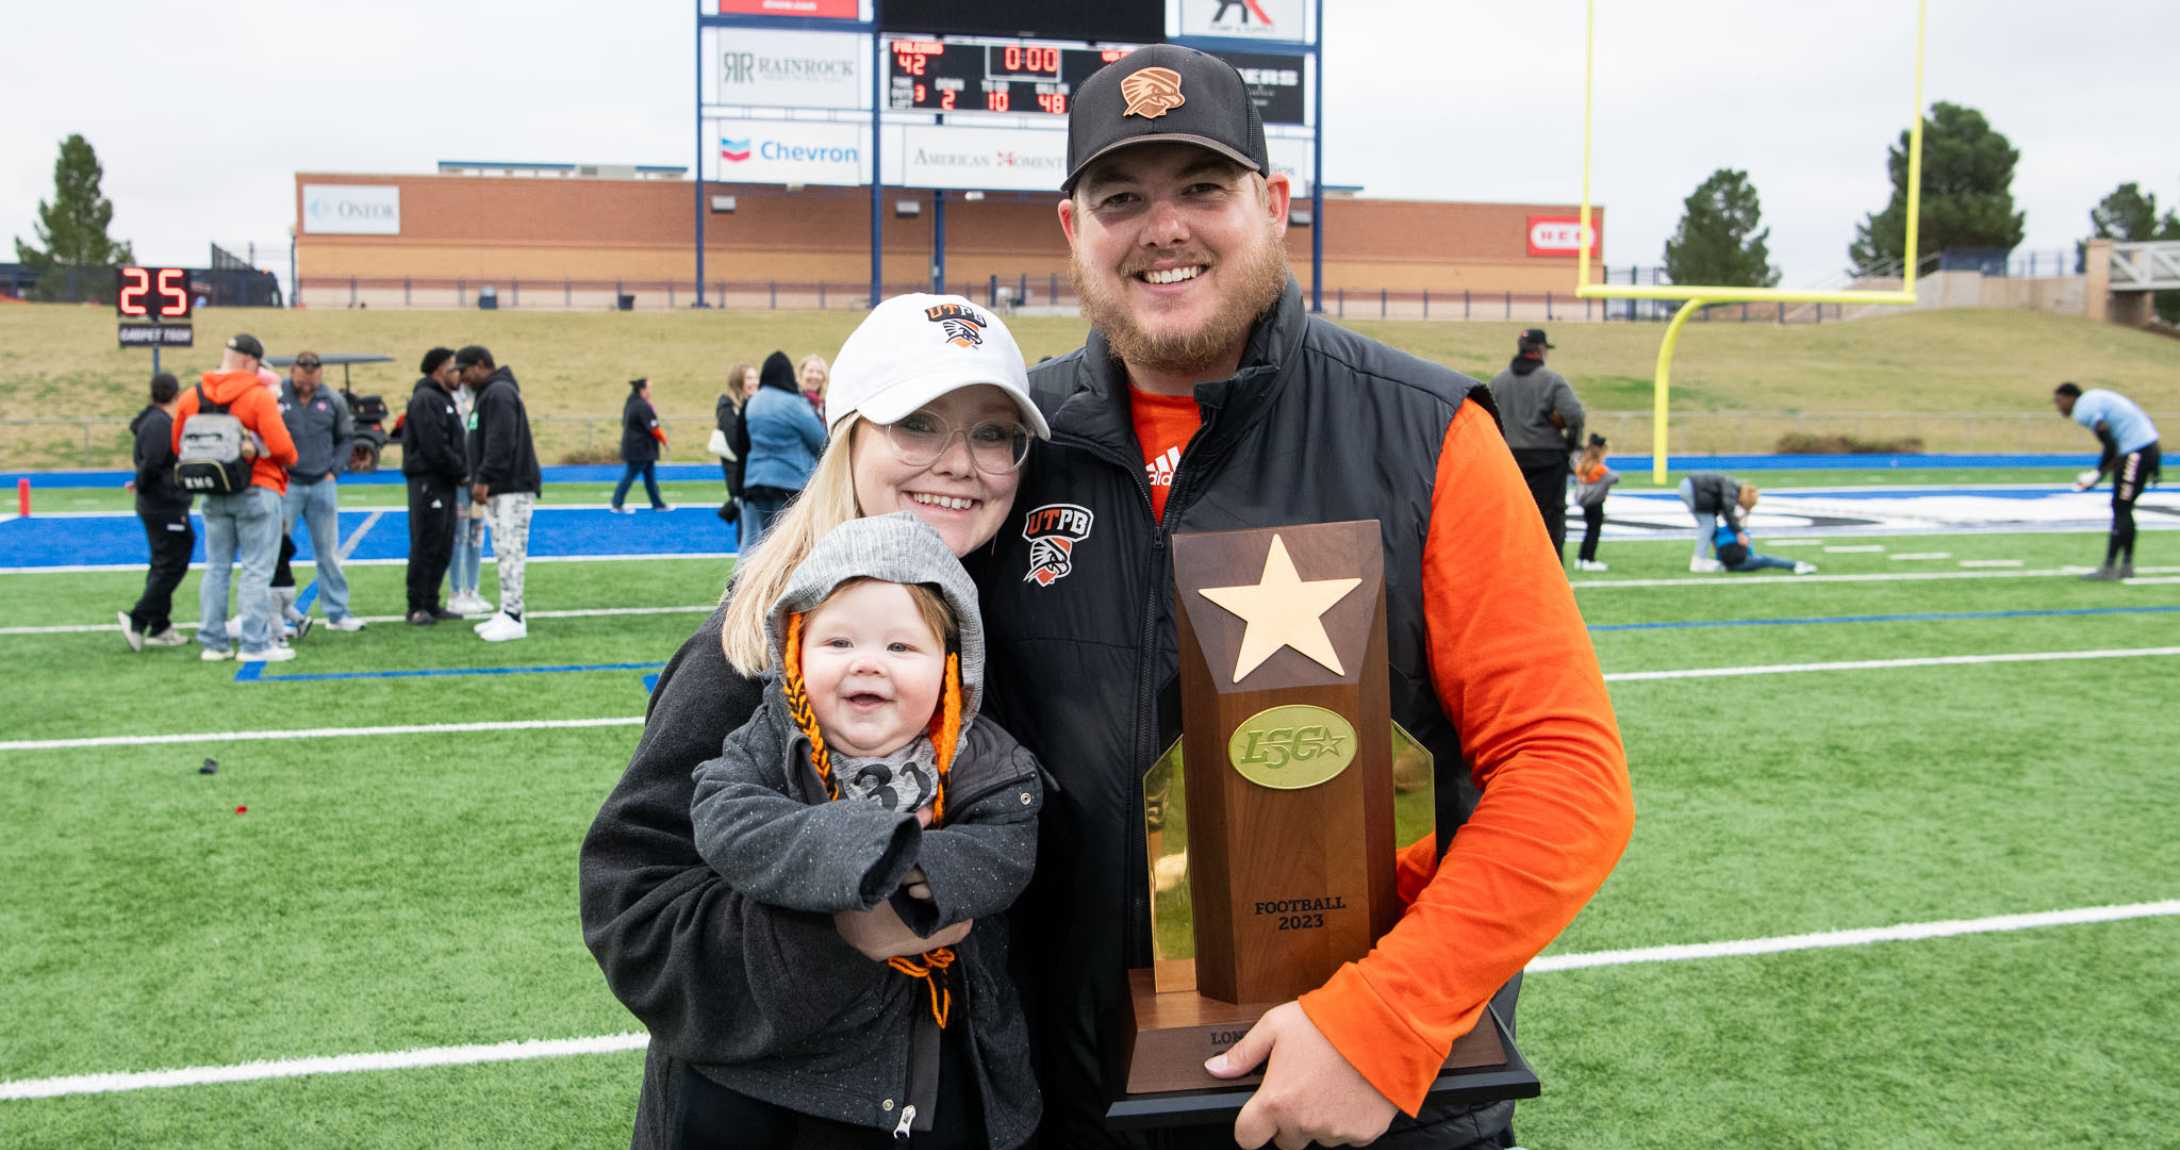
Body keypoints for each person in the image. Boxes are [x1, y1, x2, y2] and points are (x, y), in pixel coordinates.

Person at [979, 46, 1633, 1150]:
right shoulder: (1001, 443)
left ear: (1273, 205)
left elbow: (1566, 774)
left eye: (1201, 187)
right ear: (1072, 230)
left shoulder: (1427, 435)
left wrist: (1381, 1020)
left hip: (1363, 1108)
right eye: (1121, 197)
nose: (1162, 226)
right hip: (1068, 1104)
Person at [579, 292, 1050, 1150]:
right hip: (760, 1120)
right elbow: (632, 912)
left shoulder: (990, 635)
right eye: (918, 424)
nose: (958, 463)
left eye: (992, 434)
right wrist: (842, 930)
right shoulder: (750, 656)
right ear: (847, 436)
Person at [684, 512, 1045, 1145]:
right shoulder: (769, 741)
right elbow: (724, 818)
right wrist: (863, 850)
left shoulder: (982, 756)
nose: (868, 664)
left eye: (901, 647)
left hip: (936, 1053)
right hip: (787, 1063)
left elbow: (1008, 842)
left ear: (950, 667)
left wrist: (922, 867)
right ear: (795, 651)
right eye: (839, 643)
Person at [173, 333, 299, 662]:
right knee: (256, 570)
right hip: (257, 488)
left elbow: (178, 446)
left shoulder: (192, 396)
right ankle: (254, 644)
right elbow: (284, 449)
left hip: (213, 491)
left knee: (216, 568)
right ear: (250, 361)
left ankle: (214, 643)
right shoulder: (258, 396)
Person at [458, 345, 542, 642]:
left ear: (482, 365)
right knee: (503, 550)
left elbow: (500, 441)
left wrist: (483, 479)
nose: (463, 378)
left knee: (511, 551)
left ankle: (515, 616)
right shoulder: (490, 394)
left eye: (466, 370)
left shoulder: (499, 393)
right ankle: (507, 610)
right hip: (501, 487)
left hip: (510, 487)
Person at [278, 350, 364, 632]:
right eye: (303, 377)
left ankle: (337, 612)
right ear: (293, 372)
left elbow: (346, 438)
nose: (308, 383)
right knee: (276, 550)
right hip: (286, 483)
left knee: (328, 551)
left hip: (321, 483)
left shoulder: (332, 400)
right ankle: (275, 615)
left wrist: (334, 470)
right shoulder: (276, 397)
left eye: (313, 377)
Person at [1488, 327, 1586, 561]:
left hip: (1510, 459)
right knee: (1550, 522)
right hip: (1547, 460)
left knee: (1512, 520)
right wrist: (1571, 445)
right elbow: (1575, 415)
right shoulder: (1551, 381)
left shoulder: (1498, 382)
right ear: (1541, 350)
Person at [118, 372, 195, 650]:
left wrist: (140, 482)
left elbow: (150, 465)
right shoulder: (160, 424)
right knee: (173, 562)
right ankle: (138, 618)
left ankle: (160, 625)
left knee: (164, 562)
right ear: (176, 394)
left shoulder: (153, 422)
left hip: (159, 503)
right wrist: (141, 482)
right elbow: (152, 463)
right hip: (164, 505)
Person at [2054, 381, 2161, 580]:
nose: (2058, 406)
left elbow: (2111, 445)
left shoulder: (2083, 409)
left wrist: (2097, 474)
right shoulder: (2094, 398)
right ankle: (2125, 565)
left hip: (2136, 451)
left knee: (2120, 507)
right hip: (2146, 448)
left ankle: (2110, 566)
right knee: (2124, 507)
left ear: (2070, 398)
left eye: (2059, 401)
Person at [402, 347, 469, 625]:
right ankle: (416, 605)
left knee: (443, 543)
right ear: (440, 369)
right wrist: (461, 471)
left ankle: (432, 602)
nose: (459, 374)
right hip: (429, 480)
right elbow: (434, 445)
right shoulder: (426, 399)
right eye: (454, 368)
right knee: (426, 542)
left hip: (446, 481)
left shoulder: (445, 399)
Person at [739, 350, 828, 548]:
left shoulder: (753, 402)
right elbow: (819, 441)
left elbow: (743, 443)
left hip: (755, 480)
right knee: (785, 545)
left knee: (755, 543)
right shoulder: (795, 404)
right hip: (789, 481)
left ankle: (747, 579)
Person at [447, 365, 491, 617]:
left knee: (476, 535)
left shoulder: (482, 398)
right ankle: (455, 592)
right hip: (460, 480)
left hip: (478, 478)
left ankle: (473, 589)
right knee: (458, 536)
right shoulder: (453, 401)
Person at [1678, 471, 1759, 573]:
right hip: (1693, 489)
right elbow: (1727, 511)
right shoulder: (1732, 488)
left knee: (1708, 525)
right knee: (1708, 525)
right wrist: (1739, 532)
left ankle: (1700, 559)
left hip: (1689, 487)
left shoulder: (1732, 486)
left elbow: (1719, 512)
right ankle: (1699, 561)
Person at [612, 377, 671, 514]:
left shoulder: (631, 403)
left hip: (641, 448)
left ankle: (658, 504)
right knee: (630, 475)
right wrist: (664, 440)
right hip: (639, 449)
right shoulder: (642, 406)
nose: (651, 391)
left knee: (650, 477)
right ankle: (617, 503)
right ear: (642, 390)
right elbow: (653, 427)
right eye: (649, 388)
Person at [714, 362, 756, 531]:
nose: (755, 382)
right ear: (738, 382)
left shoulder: (754, 403)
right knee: (745, 525)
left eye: (756, 377)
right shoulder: (727, 406)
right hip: (737, 471)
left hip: (752, 470)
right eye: (749, 378)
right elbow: (734, 442)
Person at [1572, 433, 1618, 573]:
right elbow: (1614, 478)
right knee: (1593, 531)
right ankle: (1589, 559)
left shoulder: (1582, 464)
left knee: (1589, 531)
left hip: (1585, 501)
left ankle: (1581, 559)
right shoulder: (1598, 468)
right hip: (1595, 502)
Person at [1709, 517, 1815, 575]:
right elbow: (1748, 552)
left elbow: (1717, 550)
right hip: (1740, 563)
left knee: (1764, 560)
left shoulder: (1719, 531)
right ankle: (1796, 565)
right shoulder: (1741, 532)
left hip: (1725, 565)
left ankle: (1797, 565)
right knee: (1767, 559)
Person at [799, 353, 830, 421]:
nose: (815, 376)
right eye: (810, 371)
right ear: (801, 374)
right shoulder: (796, 401)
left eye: (819, 372)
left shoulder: (826, 405)